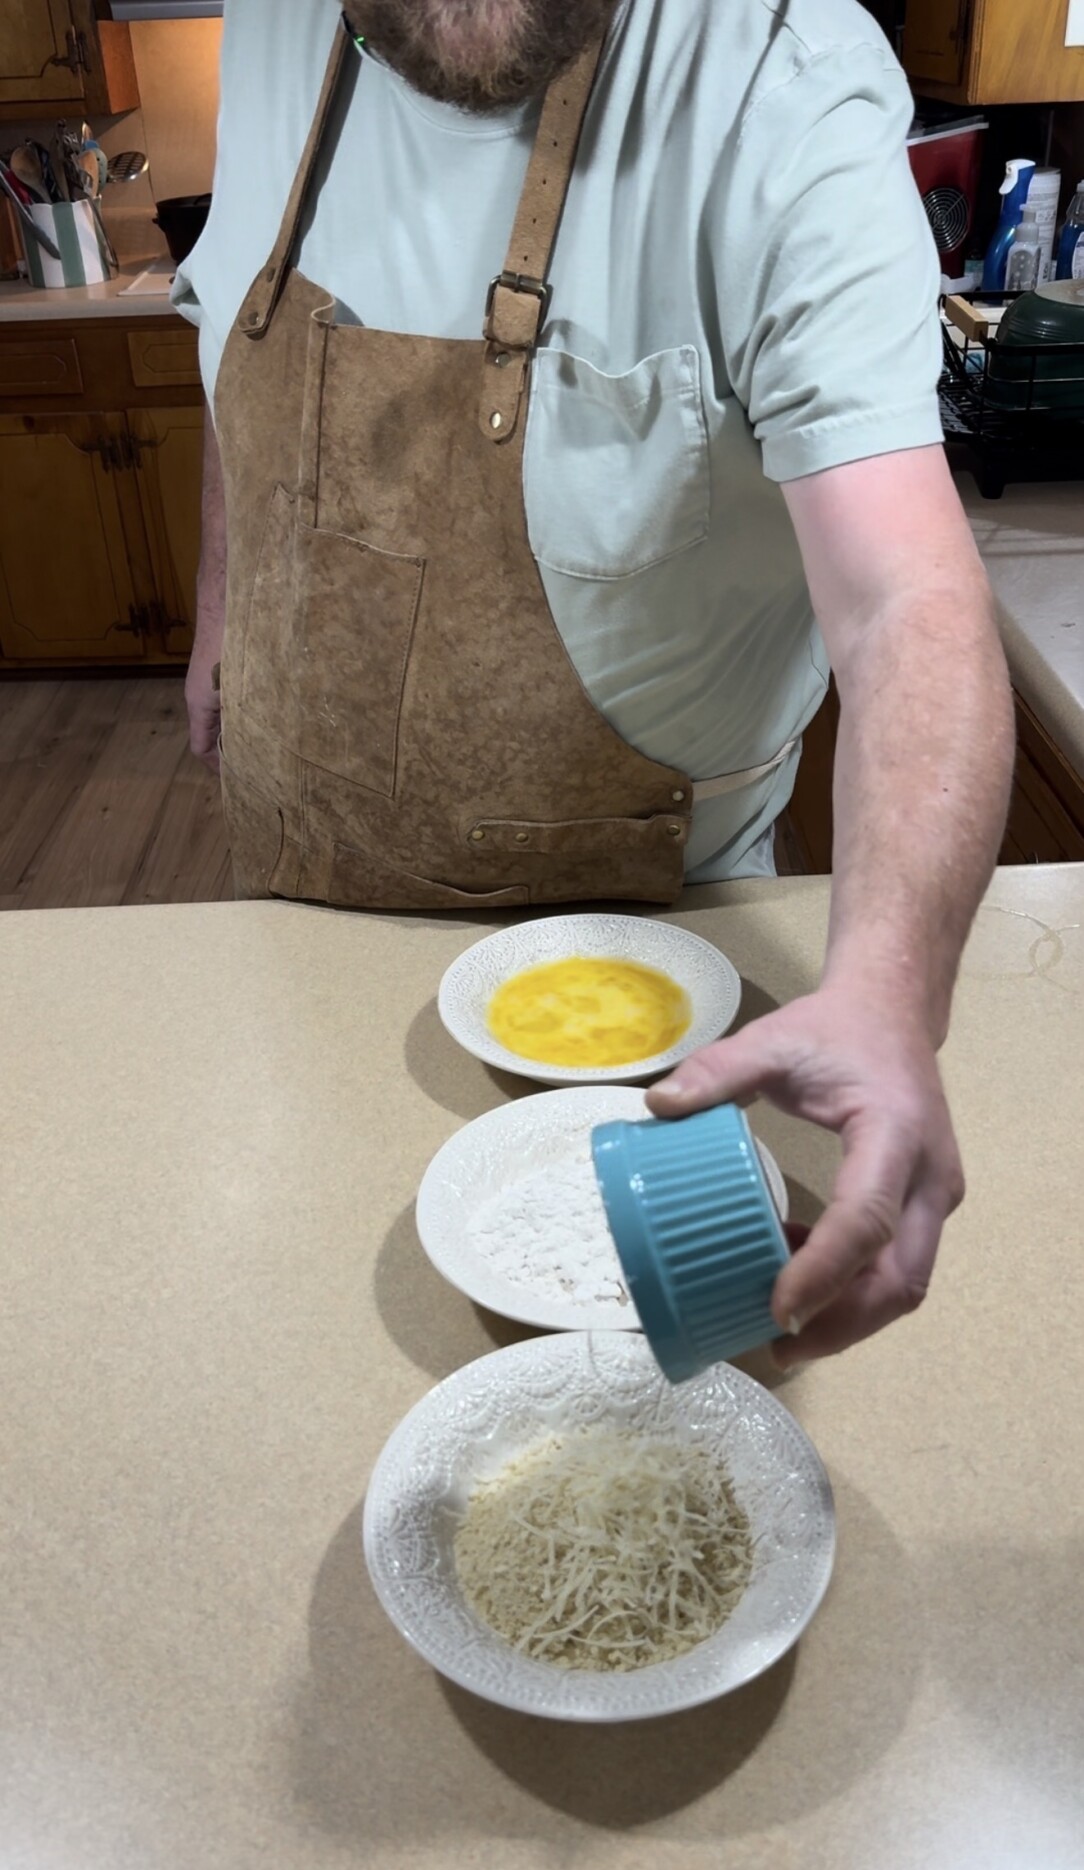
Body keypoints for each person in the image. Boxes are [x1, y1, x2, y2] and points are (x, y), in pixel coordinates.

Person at [176, 0, 1015, 1365]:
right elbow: (233, 335)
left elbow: (904, 593)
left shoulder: (780, 74)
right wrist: (220, 606)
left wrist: (891, 993)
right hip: (298, 893)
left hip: (651, 959)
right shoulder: (268, 24)